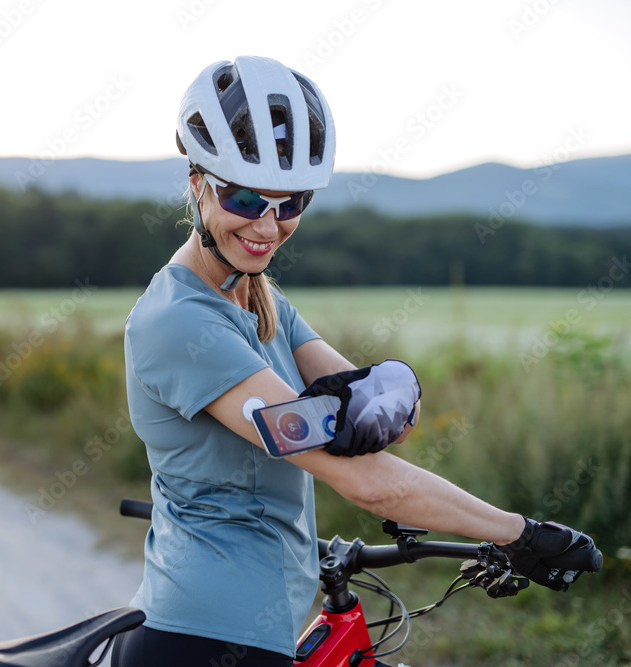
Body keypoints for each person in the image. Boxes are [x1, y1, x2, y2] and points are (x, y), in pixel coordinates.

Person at [114, 56, 600, 667]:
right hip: (204, 640)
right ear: (197, 185)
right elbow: (366, 476)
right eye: (244, 197)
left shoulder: (260, 298)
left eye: (291, 203)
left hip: (252, 630)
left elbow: (376, 407)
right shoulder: (180, 321)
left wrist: (363, 405)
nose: (269, 225)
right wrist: (520, 533)